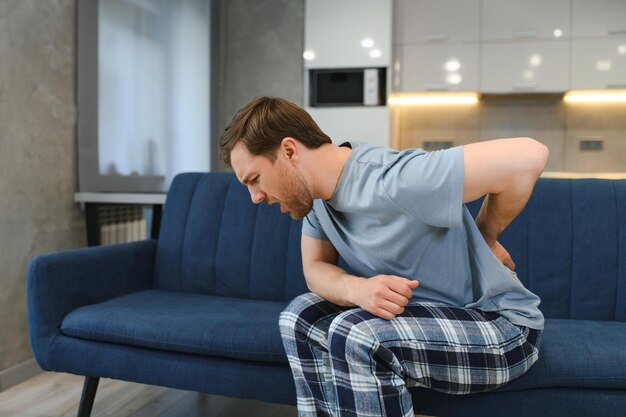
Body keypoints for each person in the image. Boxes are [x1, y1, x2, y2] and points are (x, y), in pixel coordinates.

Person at [219, 96, 547, 417]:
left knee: (356, 333)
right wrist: (356, 289)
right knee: (300, 318)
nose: (255, 197)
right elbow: (314, 268)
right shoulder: (317, 200)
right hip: (426, 323)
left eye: (255, 179)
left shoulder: (393, 179)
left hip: (501, 329)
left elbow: (529, 156)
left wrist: (486, 236)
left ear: (289, 151)